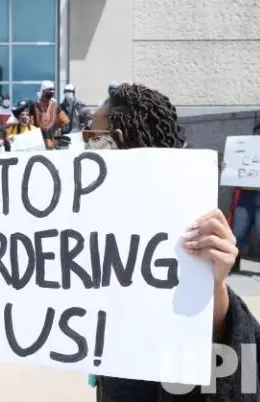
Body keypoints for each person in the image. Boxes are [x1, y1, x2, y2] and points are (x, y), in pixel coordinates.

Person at [85, 83, 252, 401]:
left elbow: (230, 360)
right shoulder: (101, 215)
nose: (84, 146)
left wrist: (214, 284)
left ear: (117, 141)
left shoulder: (189, 225)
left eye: (90, 136)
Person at [224, 123, 260, 271]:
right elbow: (232, 168)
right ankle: (234, 264)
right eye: (257, 134)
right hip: (245, 196)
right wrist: (226, 168)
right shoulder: (244, 151)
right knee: (237, 232)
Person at [34, 81, 69, 149]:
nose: (52, 91)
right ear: (43, 91)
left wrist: (56, 128)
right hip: (38, 143)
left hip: (52, 142)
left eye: (53, 90)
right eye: (50, 90)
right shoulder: (35, 106)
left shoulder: (55, 106)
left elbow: (65, 121)